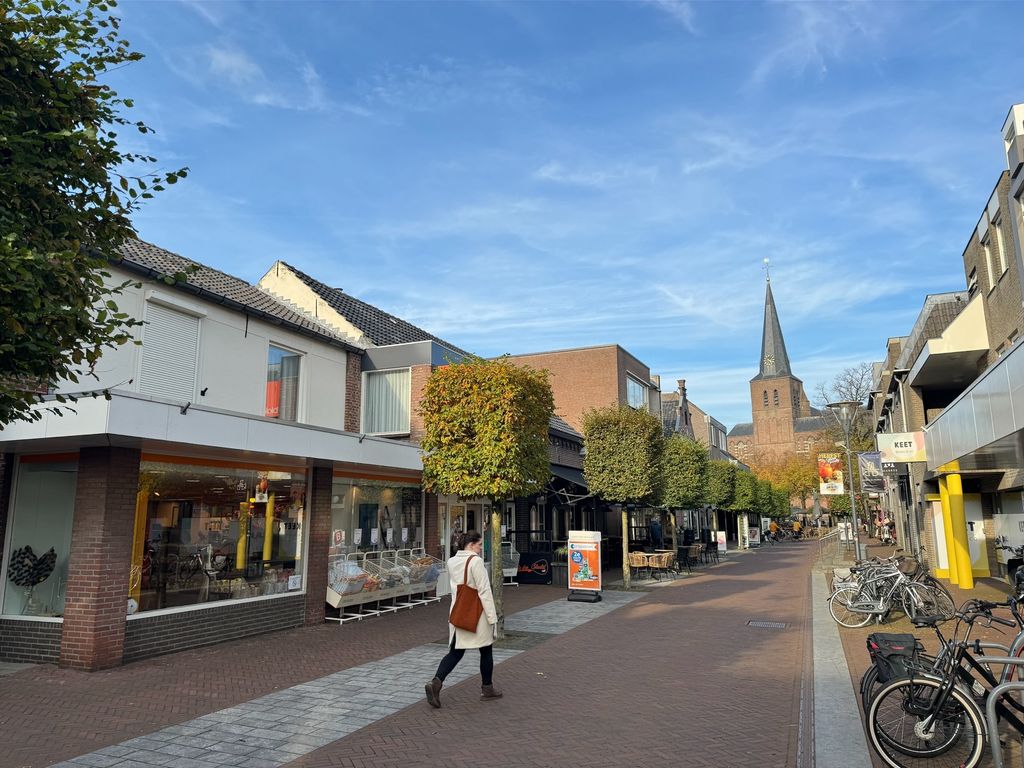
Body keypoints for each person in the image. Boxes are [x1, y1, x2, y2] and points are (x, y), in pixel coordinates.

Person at [425, 530, 502, 708]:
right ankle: (487, 688)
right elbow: (484, 590)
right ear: (471, 545)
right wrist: (492, 618)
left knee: (455, 651)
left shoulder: (451, 562)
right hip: (477, 613)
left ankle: (436, 682)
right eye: (480, 545)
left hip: (459, 611)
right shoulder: (475, 562)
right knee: (486, 650)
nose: (481, 548)